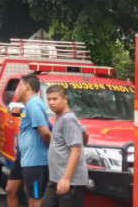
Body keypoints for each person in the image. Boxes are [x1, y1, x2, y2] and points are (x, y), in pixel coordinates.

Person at [42, 85, 88, 207]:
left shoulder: (68, 120)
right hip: (56, 179)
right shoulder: (62, 117)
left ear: (65, 99)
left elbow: (76, 150)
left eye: (55, 99)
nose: (51, 103)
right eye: (49, 99)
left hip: (70, 182)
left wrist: (66, 179)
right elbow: (85, 134)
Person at [16, 74, 52, 207]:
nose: (17, 89)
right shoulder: (30, 105)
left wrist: (54, 150)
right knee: (31, 197)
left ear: (27, 87)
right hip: (31, 162)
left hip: (36, 162)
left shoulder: (33, 104)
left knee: (36, 201)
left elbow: (45, 133)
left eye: (19, 85)